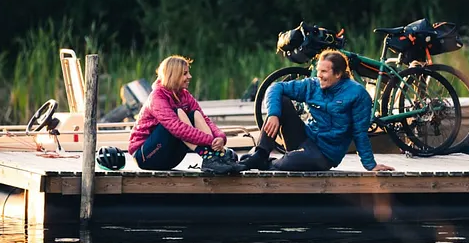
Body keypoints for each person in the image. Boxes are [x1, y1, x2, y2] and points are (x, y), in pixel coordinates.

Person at [239, 50, 395, 172]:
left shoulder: (358, 95)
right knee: (281, 101)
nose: (319, 75)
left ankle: (271, 163)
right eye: (318, 70)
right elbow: (275, 87)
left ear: (338, 74)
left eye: (324, 72)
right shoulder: (313, 85)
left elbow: (360, 133)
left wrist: (370, 165)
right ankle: (260, 154)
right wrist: (274, 114)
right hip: (305, 138)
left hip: (324, 154)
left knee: (288, 163)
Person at [128, 55, 238, 173]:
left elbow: (204, 119)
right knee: (178, 113)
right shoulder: (157, 97)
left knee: (195, 114)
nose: (189, 77)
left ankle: (214, 157)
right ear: (174, 75)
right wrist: (210, 140)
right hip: (146, 157)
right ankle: (208, 156)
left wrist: (220, 137)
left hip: (169, 156)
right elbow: (178, 129)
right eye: (185, 73)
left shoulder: (184, 95)